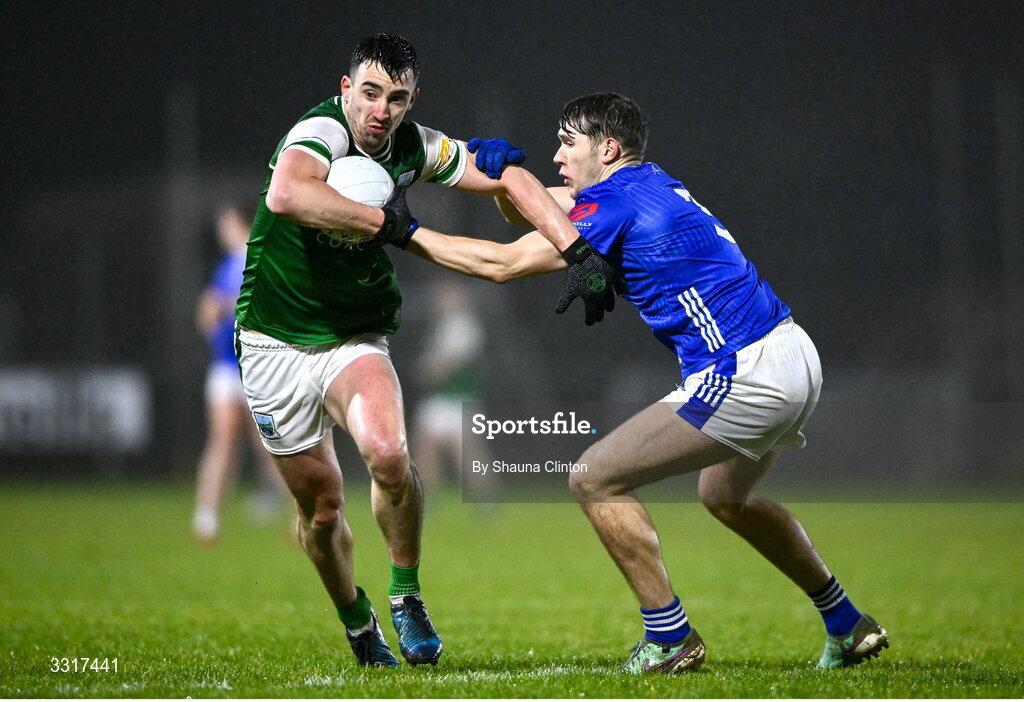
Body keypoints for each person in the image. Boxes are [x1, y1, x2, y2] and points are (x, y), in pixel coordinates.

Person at [401, 93, 889, 673]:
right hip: (793, 352)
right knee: (725, 497)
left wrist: (401, 231)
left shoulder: (613, 207)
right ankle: (845, 620)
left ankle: (669, 637)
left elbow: (503, 264)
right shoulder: (644, 182)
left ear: (606, 148)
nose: (557, 154)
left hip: (744, 369)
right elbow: (546, 211)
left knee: (594, 477)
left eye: (567, 141)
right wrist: (505, 177)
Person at [233, 33, 584, 669]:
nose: (380, 110)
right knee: (321, 511)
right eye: (369, 93)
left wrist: (541, 188)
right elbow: (288, 195)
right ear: (346, 91)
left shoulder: (413, 144)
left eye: (396, 98)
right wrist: (389, 223)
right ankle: (359, 623)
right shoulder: (316, 133)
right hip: (272, 342)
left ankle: (405, 596)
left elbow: (490, 172)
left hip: (354, 334)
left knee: (391, 455)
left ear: (411, 99)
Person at [192, 204, 285, 544]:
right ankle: (206, 519)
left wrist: (224, 304)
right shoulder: (225, 266)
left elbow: (265, 302)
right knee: (222, 440)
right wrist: (208, 315)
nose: (222, 230)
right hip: (225, 366)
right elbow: (208, 312)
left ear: (241, 223)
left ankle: (301, 518)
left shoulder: (261, 257)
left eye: (226, 223)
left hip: (258, 367)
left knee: (272, 446)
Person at [411, 279, 485, 489]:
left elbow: (454, 362)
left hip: (459, 397)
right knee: (425, 447)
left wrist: (431, 370)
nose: (441, 300)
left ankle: (485, 499)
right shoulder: (443, 324)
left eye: (447, 295)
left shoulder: (465, 325)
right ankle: (429, 496)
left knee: (466, 453)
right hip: (439, 398)